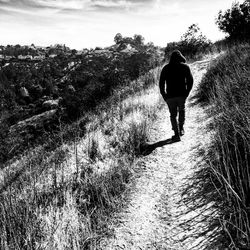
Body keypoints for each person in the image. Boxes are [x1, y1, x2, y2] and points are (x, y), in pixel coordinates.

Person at [159, 50, 193, 142]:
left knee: (173, 115)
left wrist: (164, 96)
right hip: (182, 95)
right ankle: (181, 128)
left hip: (170, 96)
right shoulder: (185, 67)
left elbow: (161, 83)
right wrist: (187, 93)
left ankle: (176, 134)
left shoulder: (165, 68)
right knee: (181, 111)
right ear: (180, 57)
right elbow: (190, 81)